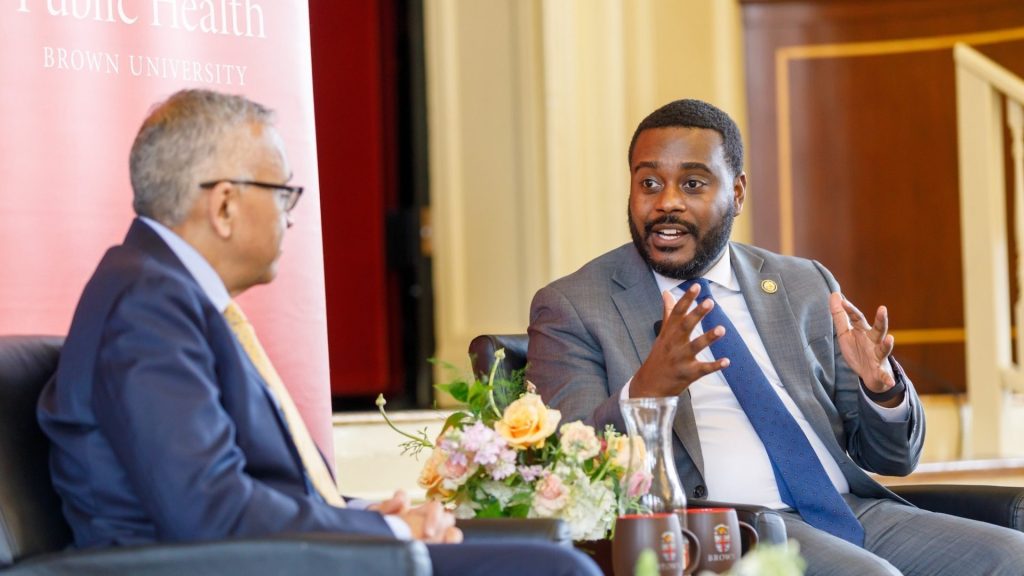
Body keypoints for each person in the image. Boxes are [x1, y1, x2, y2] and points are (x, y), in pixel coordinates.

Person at [38, 89, 600, 576]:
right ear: (225, 205)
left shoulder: (166, 293)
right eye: (282, 193)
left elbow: (250, 493)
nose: (291, 215)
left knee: (545, 555)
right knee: (554, 569)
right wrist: (388, 533)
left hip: (279, 554)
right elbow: (210, 510)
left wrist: (360, 516)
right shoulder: (147, 305)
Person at [527, 98, 1024, 575]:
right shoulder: (575, 305)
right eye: (649, 183)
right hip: (732, 527)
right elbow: (568, 471)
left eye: (693, 183)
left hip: (852, 510)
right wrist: (647, 391)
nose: (667, 202)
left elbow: (892, 458)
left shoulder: (803, 283)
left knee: (1013, 557)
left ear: (738, 192)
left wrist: (881, 390)